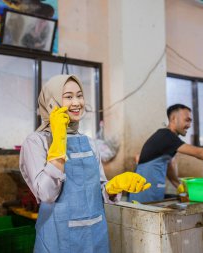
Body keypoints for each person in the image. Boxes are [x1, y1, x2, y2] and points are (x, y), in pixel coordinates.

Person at [19, 74, 151, 253]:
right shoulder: (36, 142)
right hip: (58, 238)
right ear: (52, 102)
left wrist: (113, 186)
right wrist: (58, 142)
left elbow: (98, 191)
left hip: (94, 235)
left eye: (79, 95)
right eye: (68, 97)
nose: (76, 102)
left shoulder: (89, 142)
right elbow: (46, 194)